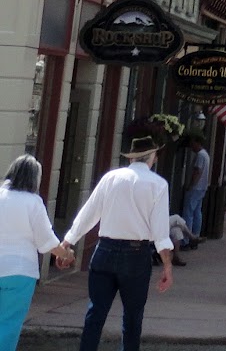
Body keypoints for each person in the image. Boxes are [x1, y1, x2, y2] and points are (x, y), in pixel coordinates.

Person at [59, 129, 175, 351]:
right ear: (153, 157)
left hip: (105, 250)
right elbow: (160, 232)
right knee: (132, 318)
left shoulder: (110, 178)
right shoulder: (158, 184)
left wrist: (68, 242)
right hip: (136, 254)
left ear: (131, 157)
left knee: (95, 313)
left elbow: (89, 213)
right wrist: (167, 266)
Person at [0, 155, 72, 351]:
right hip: (20, 272)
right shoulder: (33, 202)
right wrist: (66, 253)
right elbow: (46, 242)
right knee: (8, 324)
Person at [181, 135, 209, 241]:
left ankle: (186, 239)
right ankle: (196, 235)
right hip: (202, 187)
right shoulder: (206, 155)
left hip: (196, 188)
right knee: (197, 212)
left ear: (198, 143)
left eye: (193, 144)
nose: (192, 146)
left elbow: (197, 171)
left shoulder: (200, 155)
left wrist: (191, 184)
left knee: (188, 213)